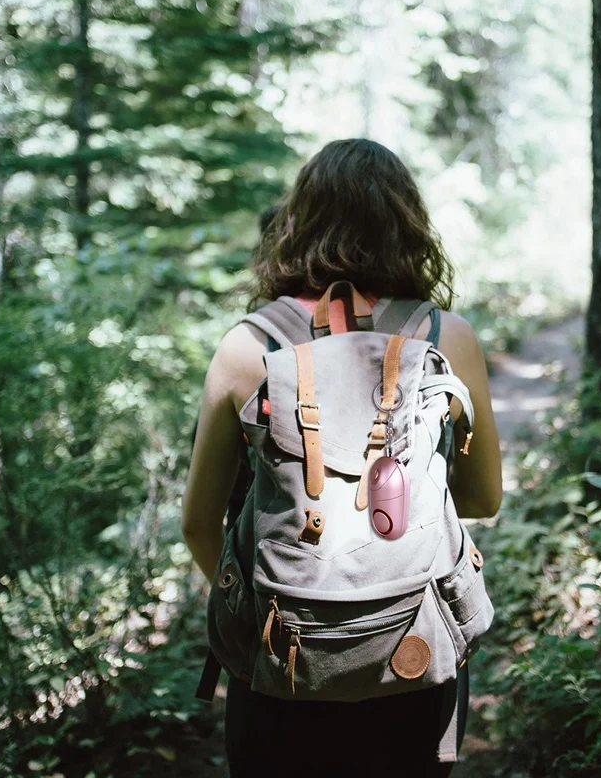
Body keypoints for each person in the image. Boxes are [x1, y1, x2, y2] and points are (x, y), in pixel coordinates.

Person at [181, 138, 503, 777]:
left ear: (298, 223)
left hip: (280, 660)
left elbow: (199, 524)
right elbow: (482, 500)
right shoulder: (446, 337)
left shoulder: (248, 347)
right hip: (412, 651)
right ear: (407, 225)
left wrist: (271, 600)